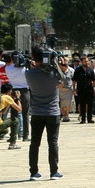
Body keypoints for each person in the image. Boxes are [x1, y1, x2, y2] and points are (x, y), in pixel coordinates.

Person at [25, 46, 65, 180]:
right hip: (52, 112)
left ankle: (34, 172)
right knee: (53, 142)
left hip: (36, 112)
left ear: (33, 58)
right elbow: (62, 82)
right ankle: (54, 171)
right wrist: (55, 64)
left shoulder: (29, 74)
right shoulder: (53, 73)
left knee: (35, 143)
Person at [3, 52, 31, 141]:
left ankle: (13, 135)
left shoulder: (7, 68)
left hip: (13, 90)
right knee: (25, 114)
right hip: (24, 90)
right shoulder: (24, 68)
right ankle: (25, 135)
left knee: (14, 115)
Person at [72, 56, 95, 124]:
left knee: (90, 104)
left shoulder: (90, 70)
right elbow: (74, 80)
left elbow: (94, 80)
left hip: (89, 89)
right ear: (81, 62)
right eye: (85, 61)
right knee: (82, 104)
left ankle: (90, 118)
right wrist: (74, 89)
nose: (86, 62)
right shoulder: (78, 70)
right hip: (81, 89)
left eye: (87, 61)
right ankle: (83, 119)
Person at [57, 56, 74, 122]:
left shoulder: (71, 70)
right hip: (61, 89)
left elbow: (74, 80)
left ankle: (67, 115)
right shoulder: (59, 72)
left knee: (68, 103)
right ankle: (64, 115)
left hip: (69, 89)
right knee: (62, 103)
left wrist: (74, 88)